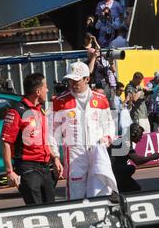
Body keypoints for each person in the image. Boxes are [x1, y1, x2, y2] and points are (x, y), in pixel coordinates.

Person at [49, 61, 116, 200]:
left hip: (97, 151)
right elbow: (52, 132)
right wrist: (55, 156)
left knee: (101, 190)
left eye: (76, 80)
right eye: (70, 80)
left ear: (87, 79)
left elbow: (109, 124)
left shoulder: (101, 99)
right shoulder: (60, 101)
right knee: (76, 193)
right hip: (74, 154)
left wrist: (106, 139)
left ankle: (101, 218)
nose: (72, 84)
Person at [1, 73, 63, 205]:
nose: (47, 90)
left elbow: (44, 140)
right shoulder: (16, 111)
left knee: (52, 208)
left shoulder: (41, 111)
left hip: (45, 167)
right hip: (28, 168)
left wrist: (55, 158)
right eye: (46, 87)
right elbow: (6, 142)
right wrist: (9, 171)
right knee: (36, 210)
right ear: (38, 91)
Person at [109, 123, 159, 192]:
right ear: (133, 134)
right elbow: (137, 161)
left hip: (114, 170)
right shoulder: (125, 142)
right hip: (115, 172)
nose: (140, 139)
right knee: (131, 172)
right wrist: (152, 157)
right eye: (140, 136)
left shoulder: (123, 140)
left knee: (131, 174)